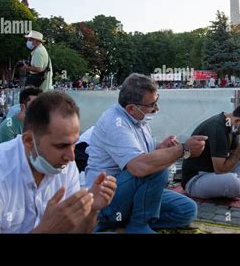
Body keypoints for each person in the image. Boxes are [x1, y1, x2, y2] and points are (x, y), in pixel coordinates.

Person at [0, 91, 117, 233]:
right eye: (61, 145)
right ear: (29, 141)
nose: (71, 156)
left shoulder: (63, 165)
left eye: (73, 143)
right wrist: (47, 230)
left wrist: (91, 210)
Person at [85, 73, 207, 233]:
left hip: (128, 191)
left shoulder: (138, 118)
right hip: (106, 199)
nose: (157, 108)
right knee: (156, 169)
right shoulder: (115, 123)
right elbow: (139, 167)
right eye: (152, 104)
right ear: (131, 108)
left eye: (157, 101)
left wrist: (162, 147)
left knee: (186, 209)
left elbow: (141, 153)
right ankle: (137, 225)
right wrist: (182, 149)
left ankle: (123, 225)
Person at [181, 103, 240, 199]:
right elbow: (221, 170)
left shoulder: (232, 126)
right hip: (195, 180)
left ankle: (229, 189)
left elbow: (236, 157)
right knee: (233, 181)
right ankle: (232, 189)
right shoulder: (218, 128)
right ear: (238, 120)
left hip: (213, 174)